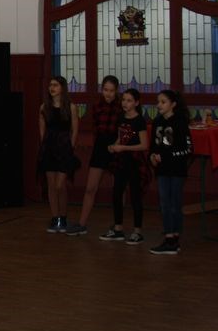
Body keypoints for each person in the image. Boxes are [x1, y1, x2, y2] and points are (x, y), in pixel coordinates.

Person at [67, 76, 121, 236]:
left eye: (111, 90)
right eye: (105, 90)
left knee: (118, 189)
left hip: (117, 147)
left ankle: (118, 225)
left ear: (116, 91)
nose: (108, 93)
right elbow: (96, 129)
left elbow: (127, 130)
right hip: (100, 147)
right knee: (90, 188)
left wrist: (118, 144)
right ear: (101, 89)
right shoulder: (97, 106)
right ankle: (82, 223)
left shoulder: (121, 107)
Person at [101, 88, 149, 243]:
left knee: (135, 196)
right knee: (116, 194)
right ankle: (118, 228)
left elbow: (144, 145)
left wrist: (123, 148)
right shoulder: (121, 117)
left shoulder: (139, 120)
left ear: (136, 103)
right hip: (121, 162)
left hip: (135, 162)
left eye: (129, 100)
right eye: (123, 100)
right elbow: (121, 138)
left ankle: (137, 231)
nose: (125, 103)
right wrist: (114, 145)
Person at [148, 89, 193, 255]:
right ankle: (168, 237)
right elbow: (154, 145)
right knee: (164, 203)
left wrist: (166, 156)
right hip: (162, 170)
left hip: (176, 170)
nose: (159, 105)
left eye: (163, 102)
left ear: (173, 104)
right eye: (158, 102)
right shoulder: (157, 122)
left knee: (174, 204)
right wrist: (152, 156)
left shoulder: (180, 122)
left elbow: (188, 149)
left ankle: (175, 238)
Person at [38, 75, 79, 233]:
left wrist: (70, 147)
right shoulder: (44, 107)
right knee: (51, 185)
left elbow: (74, 130)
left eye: (55, 85)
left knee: (60, 185)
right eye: (50, 85)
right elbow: (42, 130)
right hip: (49, 148)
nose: (52, 88)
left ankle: (63, 216)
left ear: (62, 88)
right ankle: (55, 218)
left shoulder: (71, 107)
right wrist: (44, 147)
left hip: (64, 148)